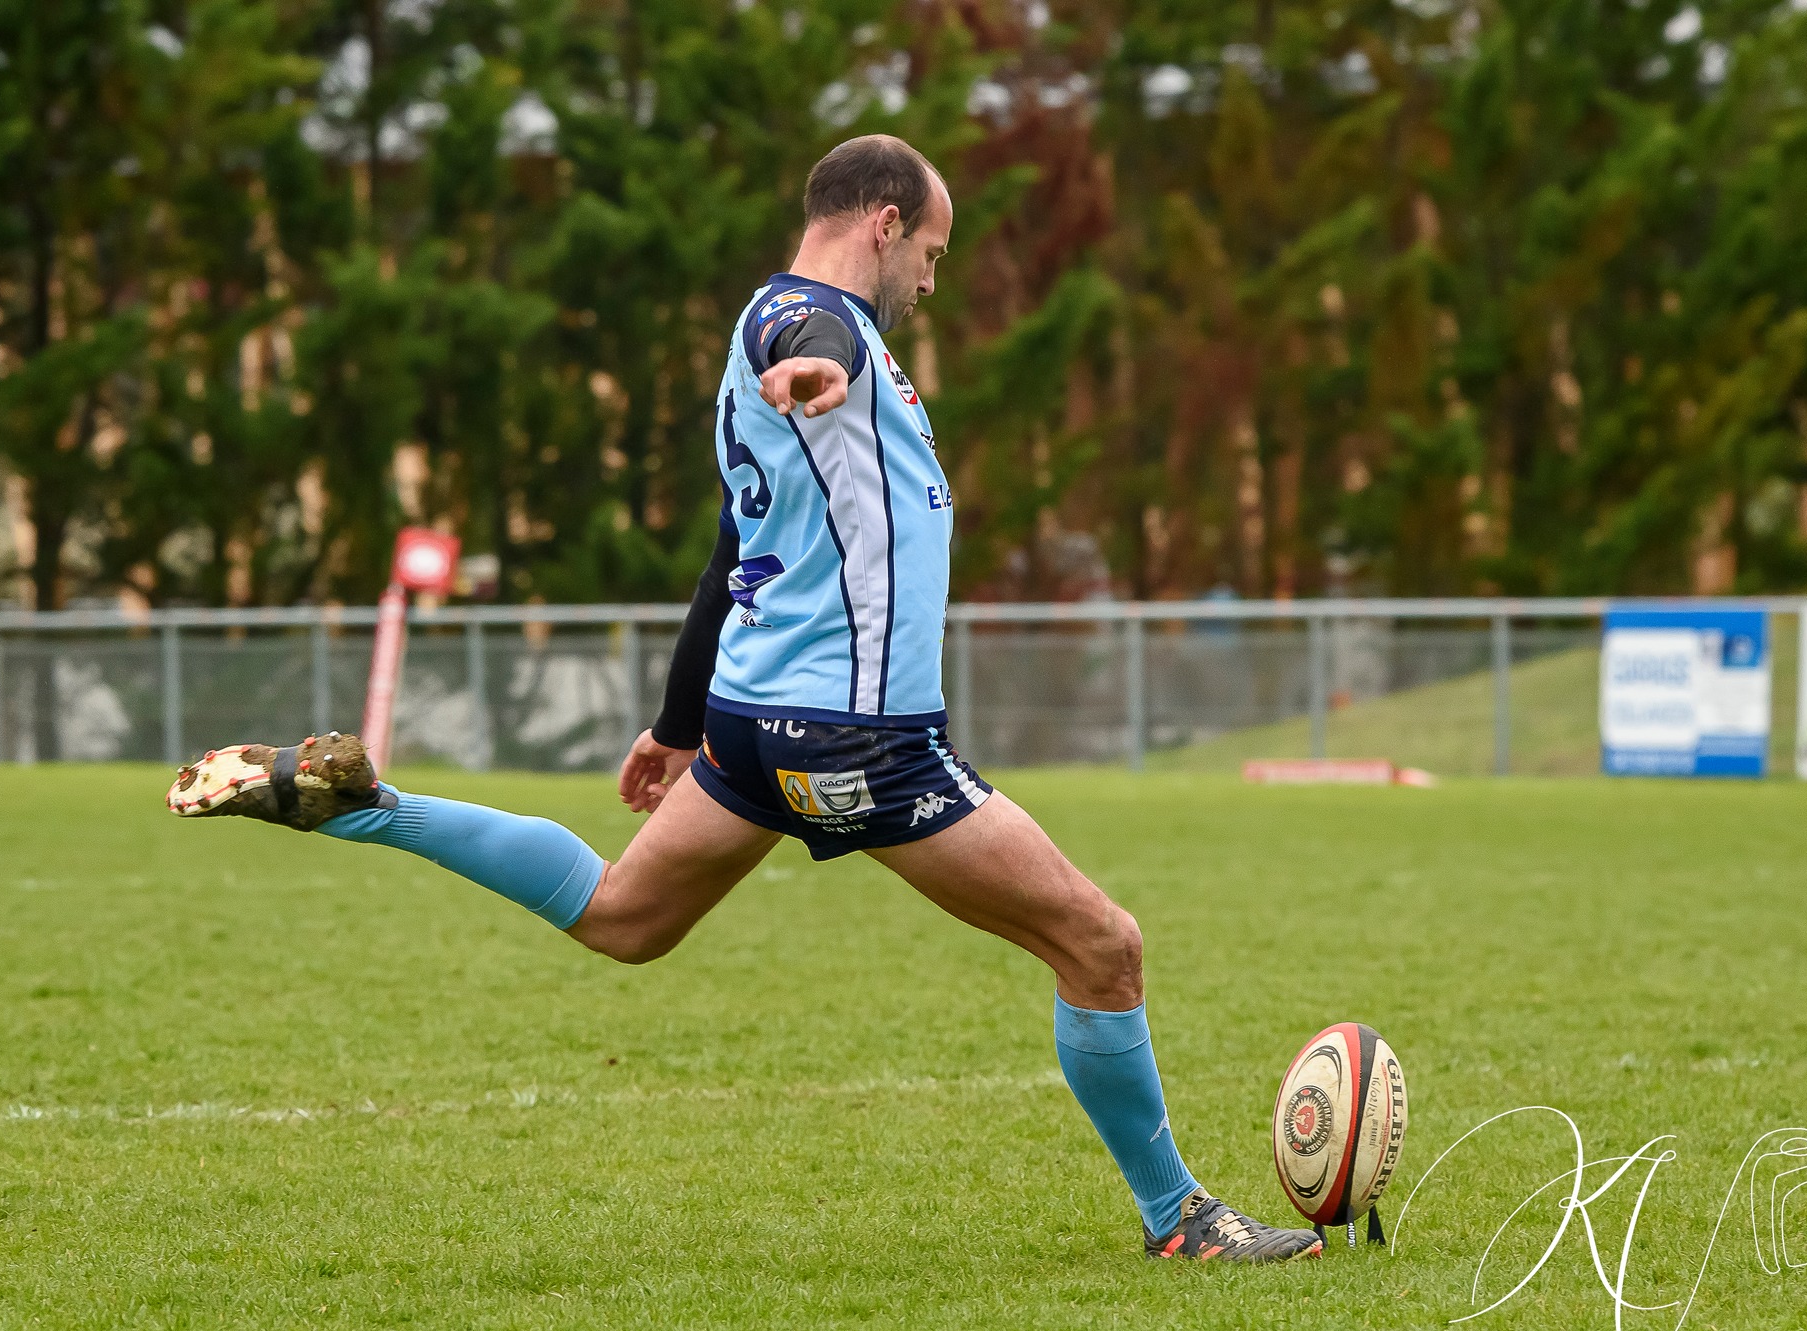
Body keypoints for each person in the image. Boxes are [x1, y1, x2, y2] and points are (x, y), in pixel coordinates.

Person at [166, 134, 1322, 1264]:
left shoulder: (768, 350)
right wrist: (819, 360)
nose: (931, 278)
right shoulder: (808, 325)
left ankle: (367, 805)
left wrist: (677, 725)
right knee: (1100, 944)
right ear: (883, 224)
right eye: (931, 250)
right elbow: (809, 333)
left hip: (753, 718)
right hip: (855, 738)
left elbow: (731, 555)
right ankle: (1177, 1216)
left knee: (623, 917)